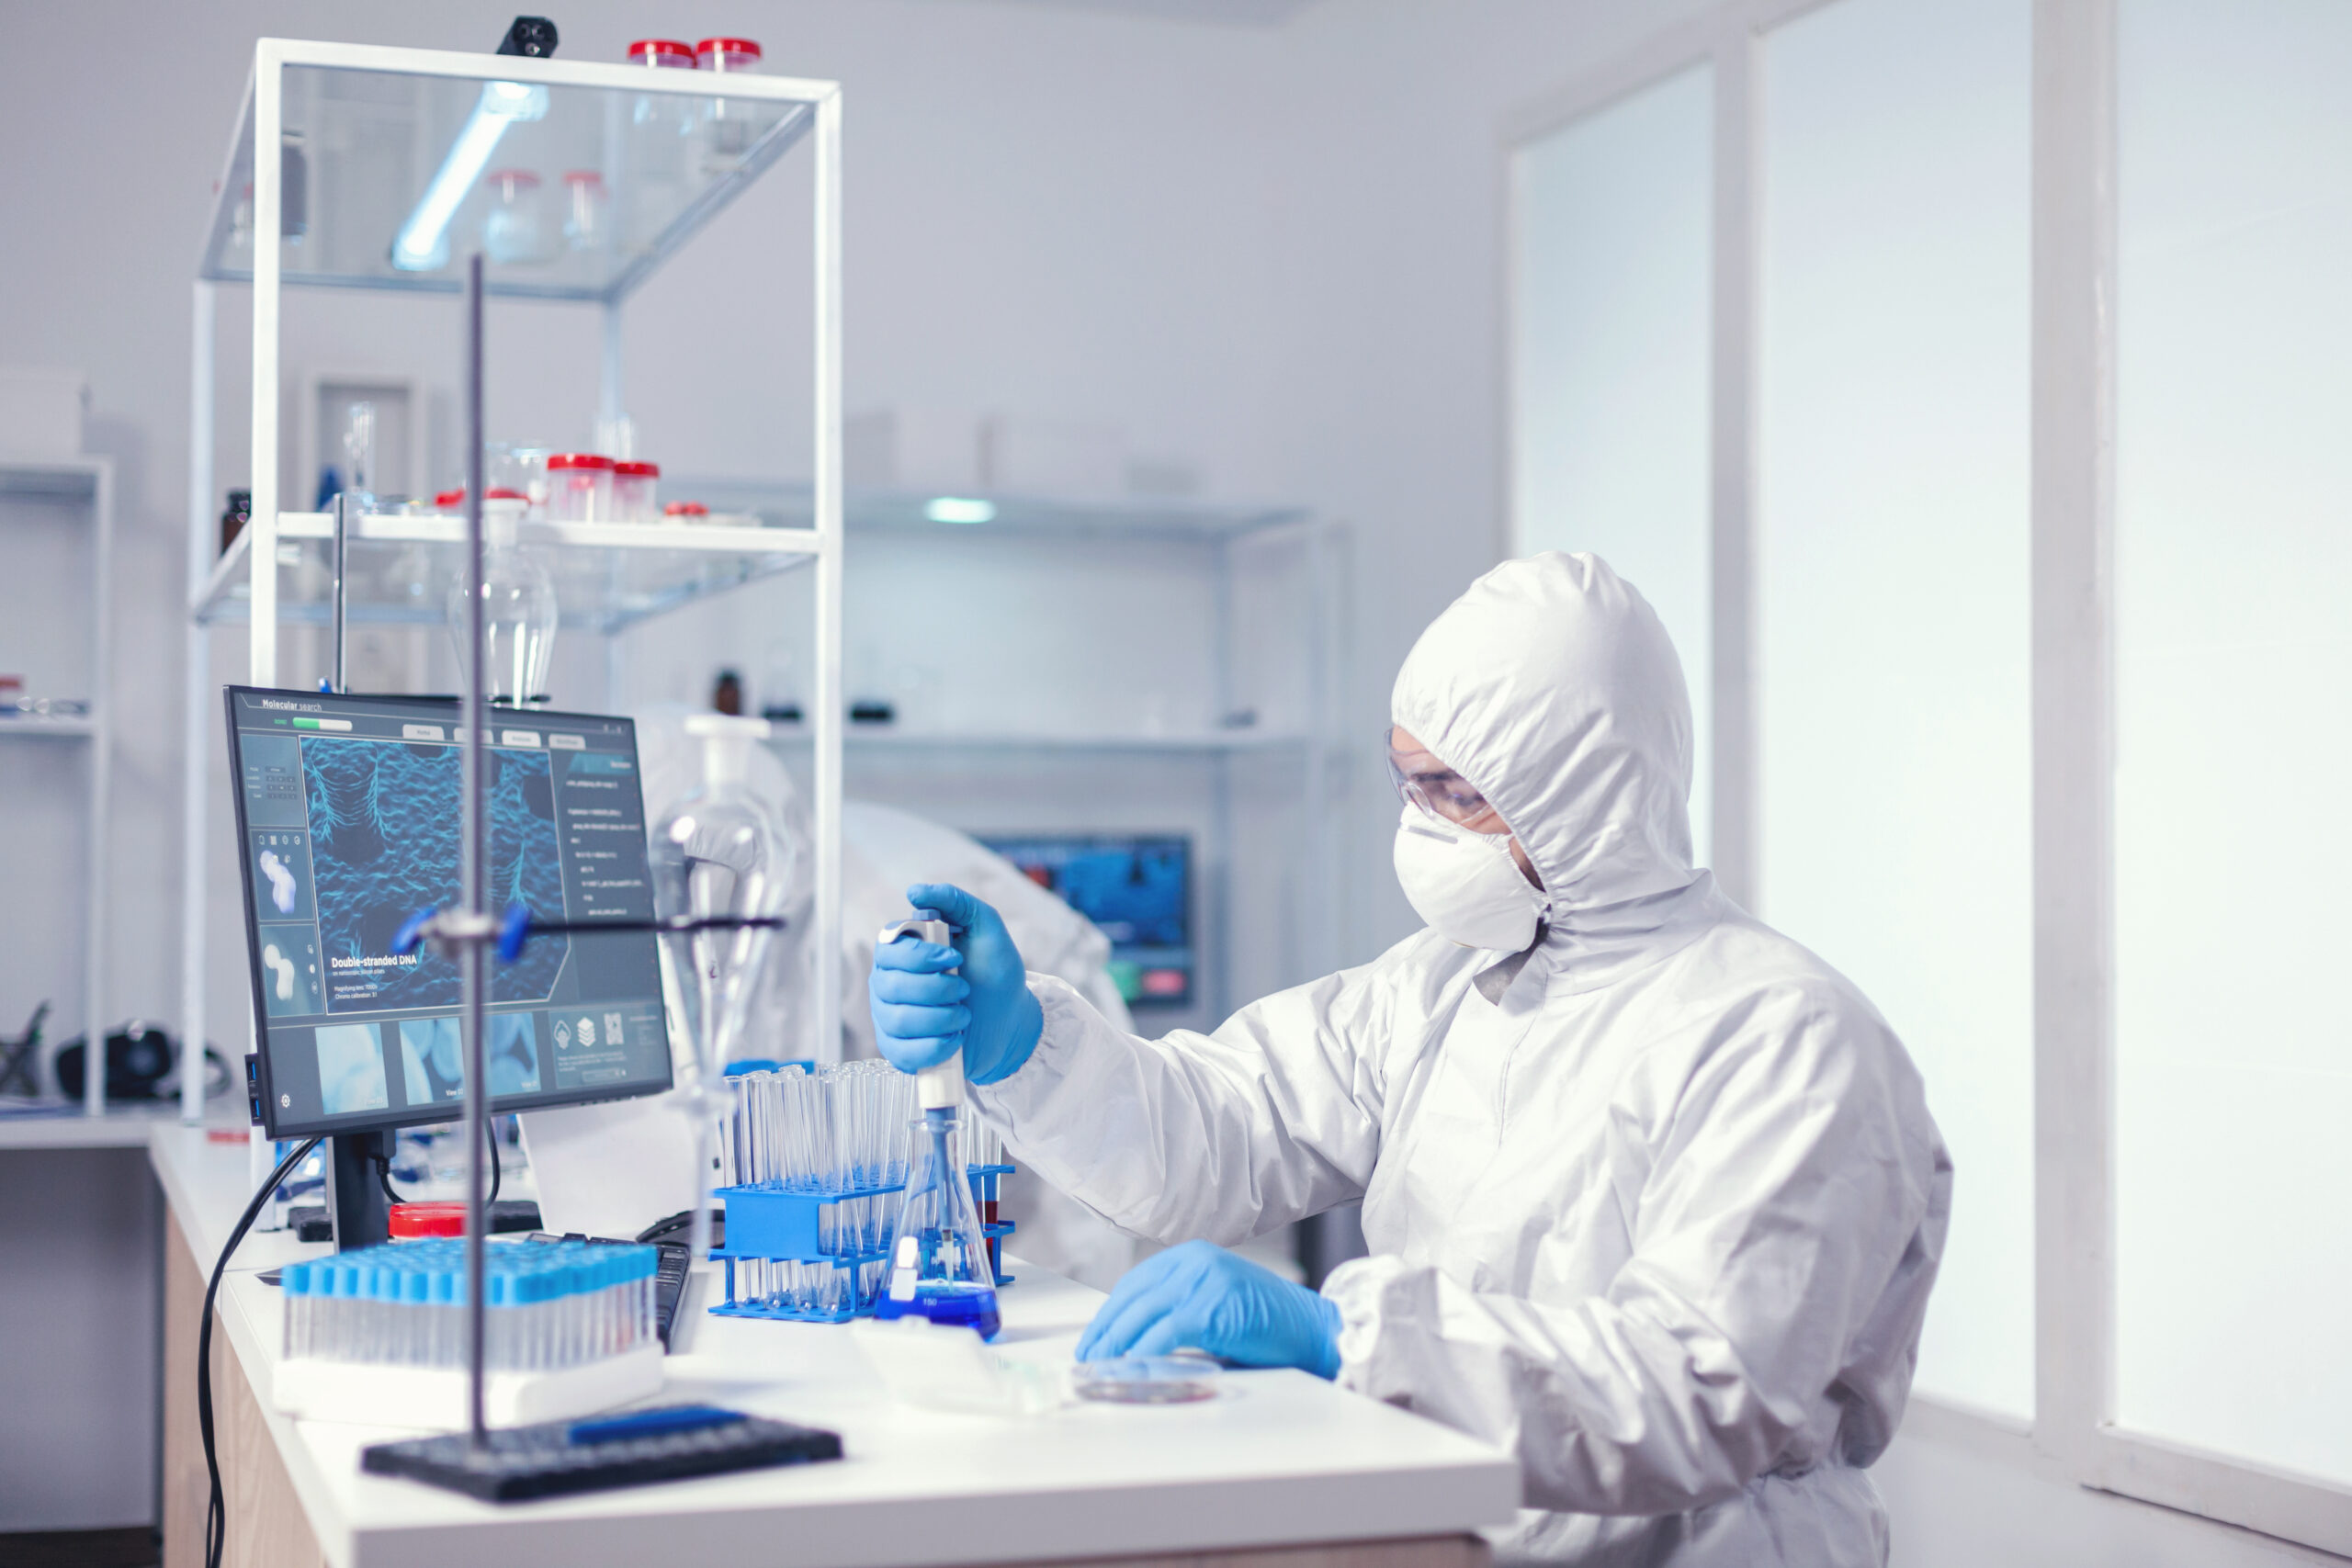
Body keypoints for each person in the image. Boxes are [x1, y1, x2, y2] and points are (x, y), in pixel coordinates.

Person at [868, 552, 1951, 1566]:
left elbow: (1695, 1397)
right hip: (1444, 1529)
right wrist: (1023, 1046)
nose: (1423, 831)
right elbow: (1224, 1127)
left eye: (1459, 796)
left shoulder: (1781, 1037)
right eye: (1410, 786)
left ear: (1585, 794)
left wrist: (1346, 1335)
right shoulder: (1439, 985)